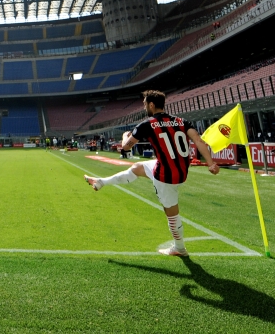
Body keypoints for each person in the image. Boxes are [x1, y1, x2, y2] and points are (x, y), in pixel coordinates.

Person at [84, 90, 219, 257]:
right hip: (180, 169)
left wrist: (125, 135)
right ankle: (101, 182)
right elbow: (198, 140)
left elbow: (125, 147)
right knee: (136, 168)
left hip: (165, 175)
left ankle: (179, 248)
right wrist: (211, 163)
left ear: (152, 105)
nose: (144, 107)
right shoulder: (181, 121)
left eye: (145, 104)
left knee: (171, 213)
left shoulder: (147, 124)